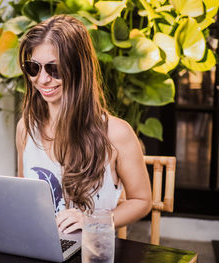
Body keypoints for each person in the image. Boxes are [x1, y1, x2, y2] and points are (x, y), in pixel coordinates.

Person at [16, 14, 152, 234]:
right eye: (34, 67)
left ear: (78, 69)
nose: (41, 80)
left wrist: (94, 221)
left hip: (92, 250)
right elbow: (24, 194)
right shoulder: (26, 127)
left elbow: (141, 200)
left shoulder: (117, 133)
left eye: (54, 69)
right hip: (39, 245)